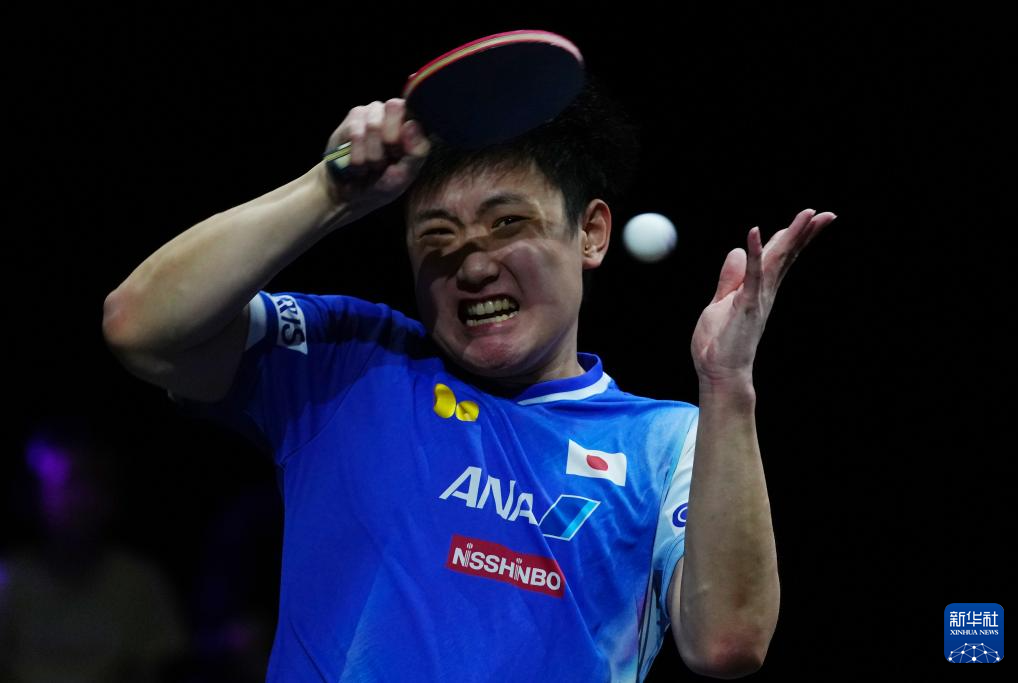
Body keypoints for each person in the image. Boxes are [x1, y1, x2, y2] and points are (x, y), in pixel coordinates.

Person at [102, 76, 836, 681]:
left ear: (590, 232)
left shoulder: (668, 441)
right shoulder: (349, 361)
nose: (474, 264)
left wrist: (727, 383)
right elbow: (142, 328)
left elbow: (728, 642)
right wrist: (328, 193)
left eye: (507, 223)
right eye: (437, 236)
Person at [0, 416, 188, 682]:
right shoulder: (8, 580)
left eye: (89, 482)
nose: (78, 499)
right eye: (64, 485)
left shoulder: (140, 582)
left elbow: (157, 667)